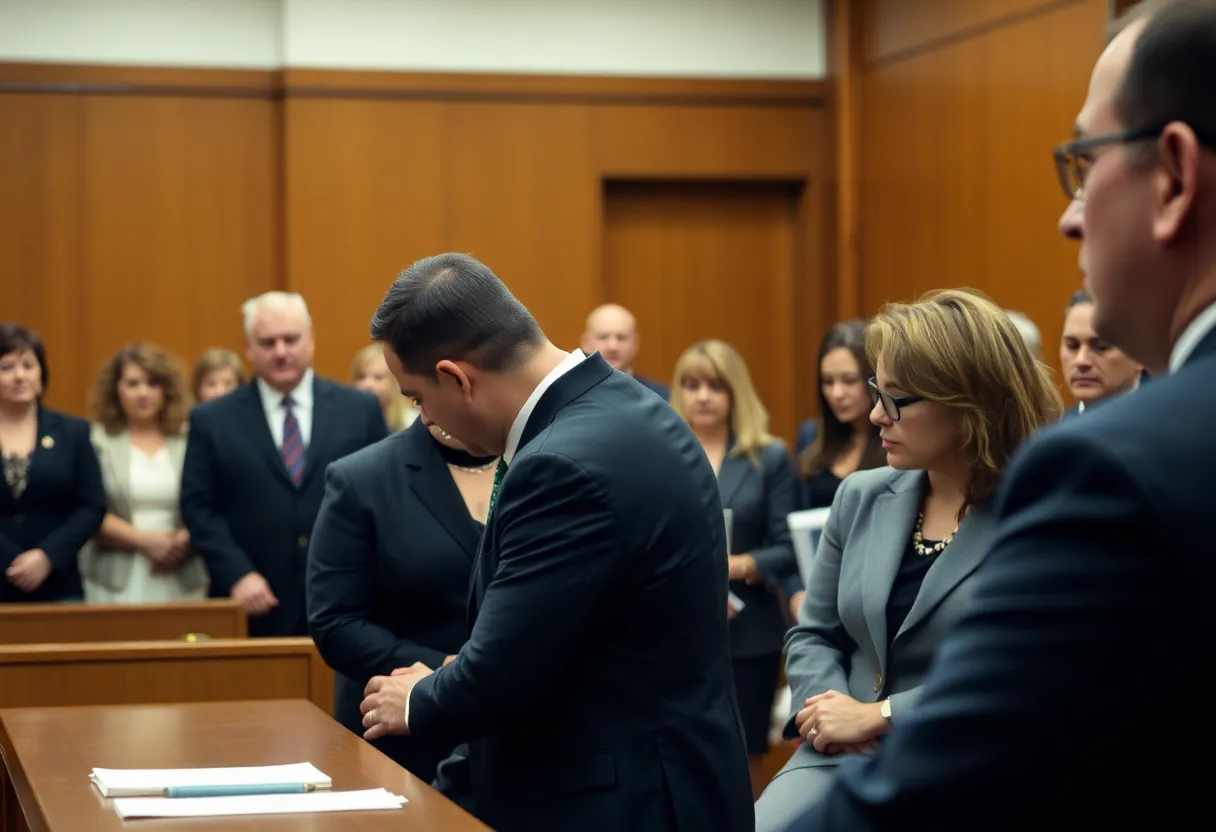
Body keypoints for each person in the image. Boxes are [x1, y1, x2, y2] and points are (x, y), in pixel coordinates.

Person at [801, 1, 1216, 826]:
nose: (1068, 216)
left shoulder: (1119, 465)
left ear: (1172, 175)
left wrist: (875, 720)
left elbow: (946, 784)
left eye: (1083, 164)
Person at [356, 253, 753, 832]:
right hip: (668, 780)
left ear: (457, 378)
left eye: (417, 398)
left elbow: (504, 671)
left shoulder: (560, 465)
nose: (426, 420)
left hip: (622, 802)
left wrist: (417, 698)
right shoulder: (630, 403)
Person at [754, 289, 1061, 830]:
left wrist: (881, 716)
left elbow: (1029, 673)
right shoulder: (861, 495)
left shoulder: (1039, 514)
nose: (875, 414)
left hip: (966, 762)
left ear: (968, 404)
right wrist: (829, 714)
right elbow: (813, 635)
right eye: (878, 390)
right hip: (837, 756)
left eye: (895, 399)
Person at [180, 292, 387, 636]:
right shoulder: (211, 420)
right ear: (248, 348)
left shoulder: (360, 410)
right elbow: (198, 507)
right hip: (253, 604)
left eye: (291, 339)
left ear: (311, 340)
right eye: (268, 342)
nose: (280, 351)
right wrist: (237, 574)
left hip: (348, 602)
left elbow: (384, 494)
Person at [307, 415, 494, 783]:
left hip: (515, 731)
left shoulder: (537, 460)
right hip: (404, 730)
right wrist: (446, 669)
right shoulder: (363, 477)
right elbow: (335, 622)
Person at [671, 339, 797, 797]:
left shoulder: (769, 458)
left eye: (715, 386)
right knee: (682, 749)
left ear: (735, 393)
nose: (702, 396)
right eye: (692, 385)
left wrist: (734, 565)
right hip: (676, 629)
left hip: (749, 634)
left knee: (745, 754)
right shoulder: (662, 453)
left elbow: (787, 550)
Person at [83, 343, 206, 603]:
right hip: (113, 577)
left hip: (182, 572)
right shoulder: (95, 441)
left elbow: (211, 501)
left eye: (152, 383)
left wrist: (186, 537)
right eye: (132, 383)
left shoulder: (191, 438)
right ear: (115, 389)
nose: (143, 393)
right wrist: (145, 541)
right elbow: (84, 508)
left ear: (167, 390)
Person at [0, 324, 106, 603]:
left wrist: (47, 556)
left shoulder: (73, 432)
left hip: (58, 581)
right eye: (7, 367)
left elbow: (93, 505)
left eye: (28, 365)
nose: (19, 376)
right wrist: (10, 561)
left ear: (41, 373)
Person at [786, 321, 886, 616]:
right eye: (827, 382)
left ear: (873, 381)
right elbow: (791, 529)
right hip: (816, 596)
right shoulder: (810, 437)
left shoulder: (895, 439)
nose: (837, 393)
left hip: (872, 598)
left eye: (849, 380)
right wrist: (795, 592)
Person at [1059, 288, 1143, 416]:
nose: (1081, 360)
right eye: (1072, 346)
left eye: (1101, 347)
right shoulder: (1053, 431)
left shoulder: (1170, 427)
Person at [580, 303, 670, 399]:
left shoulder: (661, 398)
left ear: (636, 343)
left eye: (621, 338)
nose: (612, 346)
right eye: (603, 337)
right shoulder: (567, 396)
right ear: (586, 343)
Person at [351, 343, 418, 431]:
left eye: (378, 377)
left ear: (397, 382)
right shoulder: (345, 423)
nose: (367, 384)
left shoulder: (412, 424)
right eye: (361, 377)